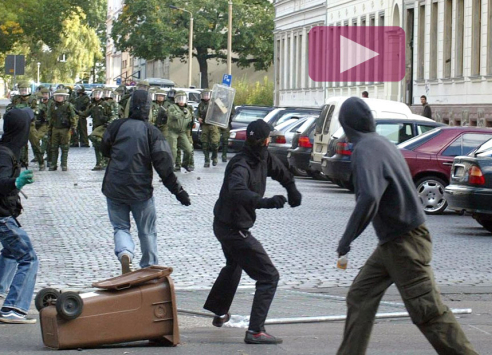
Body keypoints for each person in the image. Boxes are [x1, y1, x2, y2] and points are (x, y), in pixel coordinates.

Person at [334, 97, 477, 354]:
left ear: (345, 124)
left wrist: (347, 238)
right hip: (394, 242)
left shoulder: (365, 149)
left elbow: (369, 197)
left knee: (428, 312)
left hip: (404, 244)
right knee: (360, 295)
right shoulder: (382, 143)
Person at [204, 119, 302, 345]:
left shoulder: (263, 156)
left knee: (235, 264)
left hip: (224, 224)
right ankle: (256, 331)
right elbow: (237, 190)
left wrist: (292, 189)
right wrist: (264, 202)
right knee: (269, 276)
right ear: (265, 140)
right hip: (232, 228)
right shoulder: (241, 165)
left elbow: (281, 170)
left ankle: (219, 313)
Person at [101, 89, 191, 274]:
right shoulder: (153, 132)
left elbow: (104, 148)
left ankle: (125, 252)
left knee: (120, 227)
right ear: (149, 109)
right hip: (140, 190)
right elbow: (165, 167)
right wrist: (179, 192)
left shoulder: (116, 126)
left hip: (114, 187)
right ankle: (149, 267)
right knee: (147, 230)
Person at [0, 108, 39, 324]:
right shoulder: (4, 154)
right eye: (28, 126)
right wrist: (17, 182)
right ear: (21, 129)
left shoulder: (2, 147)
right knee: (28, 257)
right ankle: (13, 308)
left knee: (12, 249)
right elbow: (1, 182)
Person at [7, 81, 38, 168]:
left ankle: (40, 160)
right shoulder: (16, 99)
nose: (23, 92)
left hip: (30, 123)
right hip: (19, 124)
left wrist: (29, 111)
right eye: (22, 90)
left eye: (25, 90)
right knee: (22, 144)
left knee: (35, 143)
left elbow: (36, 110)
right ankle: (23, 161)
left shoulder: (32, 99)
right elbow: (10, 107)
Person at [48, 89, 77, 171]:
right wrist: (49, 129)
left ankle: (64, 164)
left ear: (64, 97)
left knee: (65, 147)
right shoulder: (52, 105)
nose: (59, 98)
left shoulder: (68, 106)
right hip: (55, 128)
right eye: (58, 96)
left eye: (61, 96)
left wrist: (73, 127)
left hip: (65, 129)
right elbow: (50, 117)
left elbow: (73, 117)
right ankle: (53, 164)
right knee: (54, 147)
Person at [166, 91, 194, 172]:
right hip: (172, 131)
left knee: (189, 150)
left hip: (182, 132)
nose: (181, 101)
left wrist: (191, 124)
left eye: (183, 99)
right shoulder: (172, 107)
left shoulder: (187, 109)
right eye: (179, 99)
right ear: (176, 100)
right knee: (173, 150)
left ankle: (185, 163)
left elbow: (189, 119)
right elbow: (173, 116)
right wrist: (182, 113)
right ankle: (170, 168)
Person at [83, 89, 110, 170]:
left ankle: (105, 161)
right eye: (95, 94)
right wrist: (76, 111)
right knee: (96, 145)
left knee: (101, 142)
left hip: (103, 127)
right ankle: (99, 162)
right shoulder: (92, 105)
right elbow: (86, 113)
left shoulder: (105, 104)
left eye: (99, 94)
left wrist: (108, 122)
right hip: (95, 127)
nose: (97, 96)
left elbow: (111, 115)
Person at [198, 89, 220, 168]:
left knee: (215, 143)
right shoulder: (201, 104)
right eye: (205, 95)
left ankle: (215, 157)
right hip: (205, 125)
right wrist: (198, 118)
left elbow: (224, 111)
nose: (206, 97)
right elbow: (197, 113)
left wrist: (219, 102)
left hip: (213, 125)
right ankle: (206, 160)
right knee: (205, 144)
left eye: (208, 95)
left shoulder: (215, 102)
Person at [35, 88, 52, 170]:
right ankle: (39, 155)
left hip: (48, 124)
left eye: (46, 94)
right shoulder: (38, 103)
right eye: (43, 94)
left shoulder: (52, 103)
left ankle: (48, 159)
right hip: (39, 124)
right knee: (37, 139)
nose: (45, 96)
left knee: (48, 141)